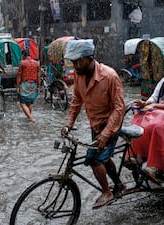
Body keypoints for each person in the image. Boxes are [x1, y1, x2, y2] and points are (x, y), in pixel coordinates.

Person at [61, 39, 126, 209]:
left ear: (90, 58)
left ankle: (107, 192)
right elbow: (76, 100)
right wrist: (69, 124)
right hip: (95, 123)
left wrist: (105, 134)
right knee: (104, 158)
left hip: (111, 123)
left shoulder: (110, 76)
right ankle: (118, 185)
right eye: (73, 62)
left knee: (93, 158)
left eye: (78, 61)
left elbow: (119, 108)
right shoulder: (78, 74)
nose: (75, 65)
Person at [16, 49, 40, 122]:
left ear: (23, 55)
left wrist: (17, 86)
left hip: (24, 84)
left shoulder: (22, 63)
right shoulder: (36, 63)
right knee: (30, 102)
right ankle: (29, 117)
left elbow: (19, 75)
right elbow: (38, 75)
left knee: (22, 102)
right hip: (33, 84)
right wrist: (39, 86)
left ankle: (30, 118)